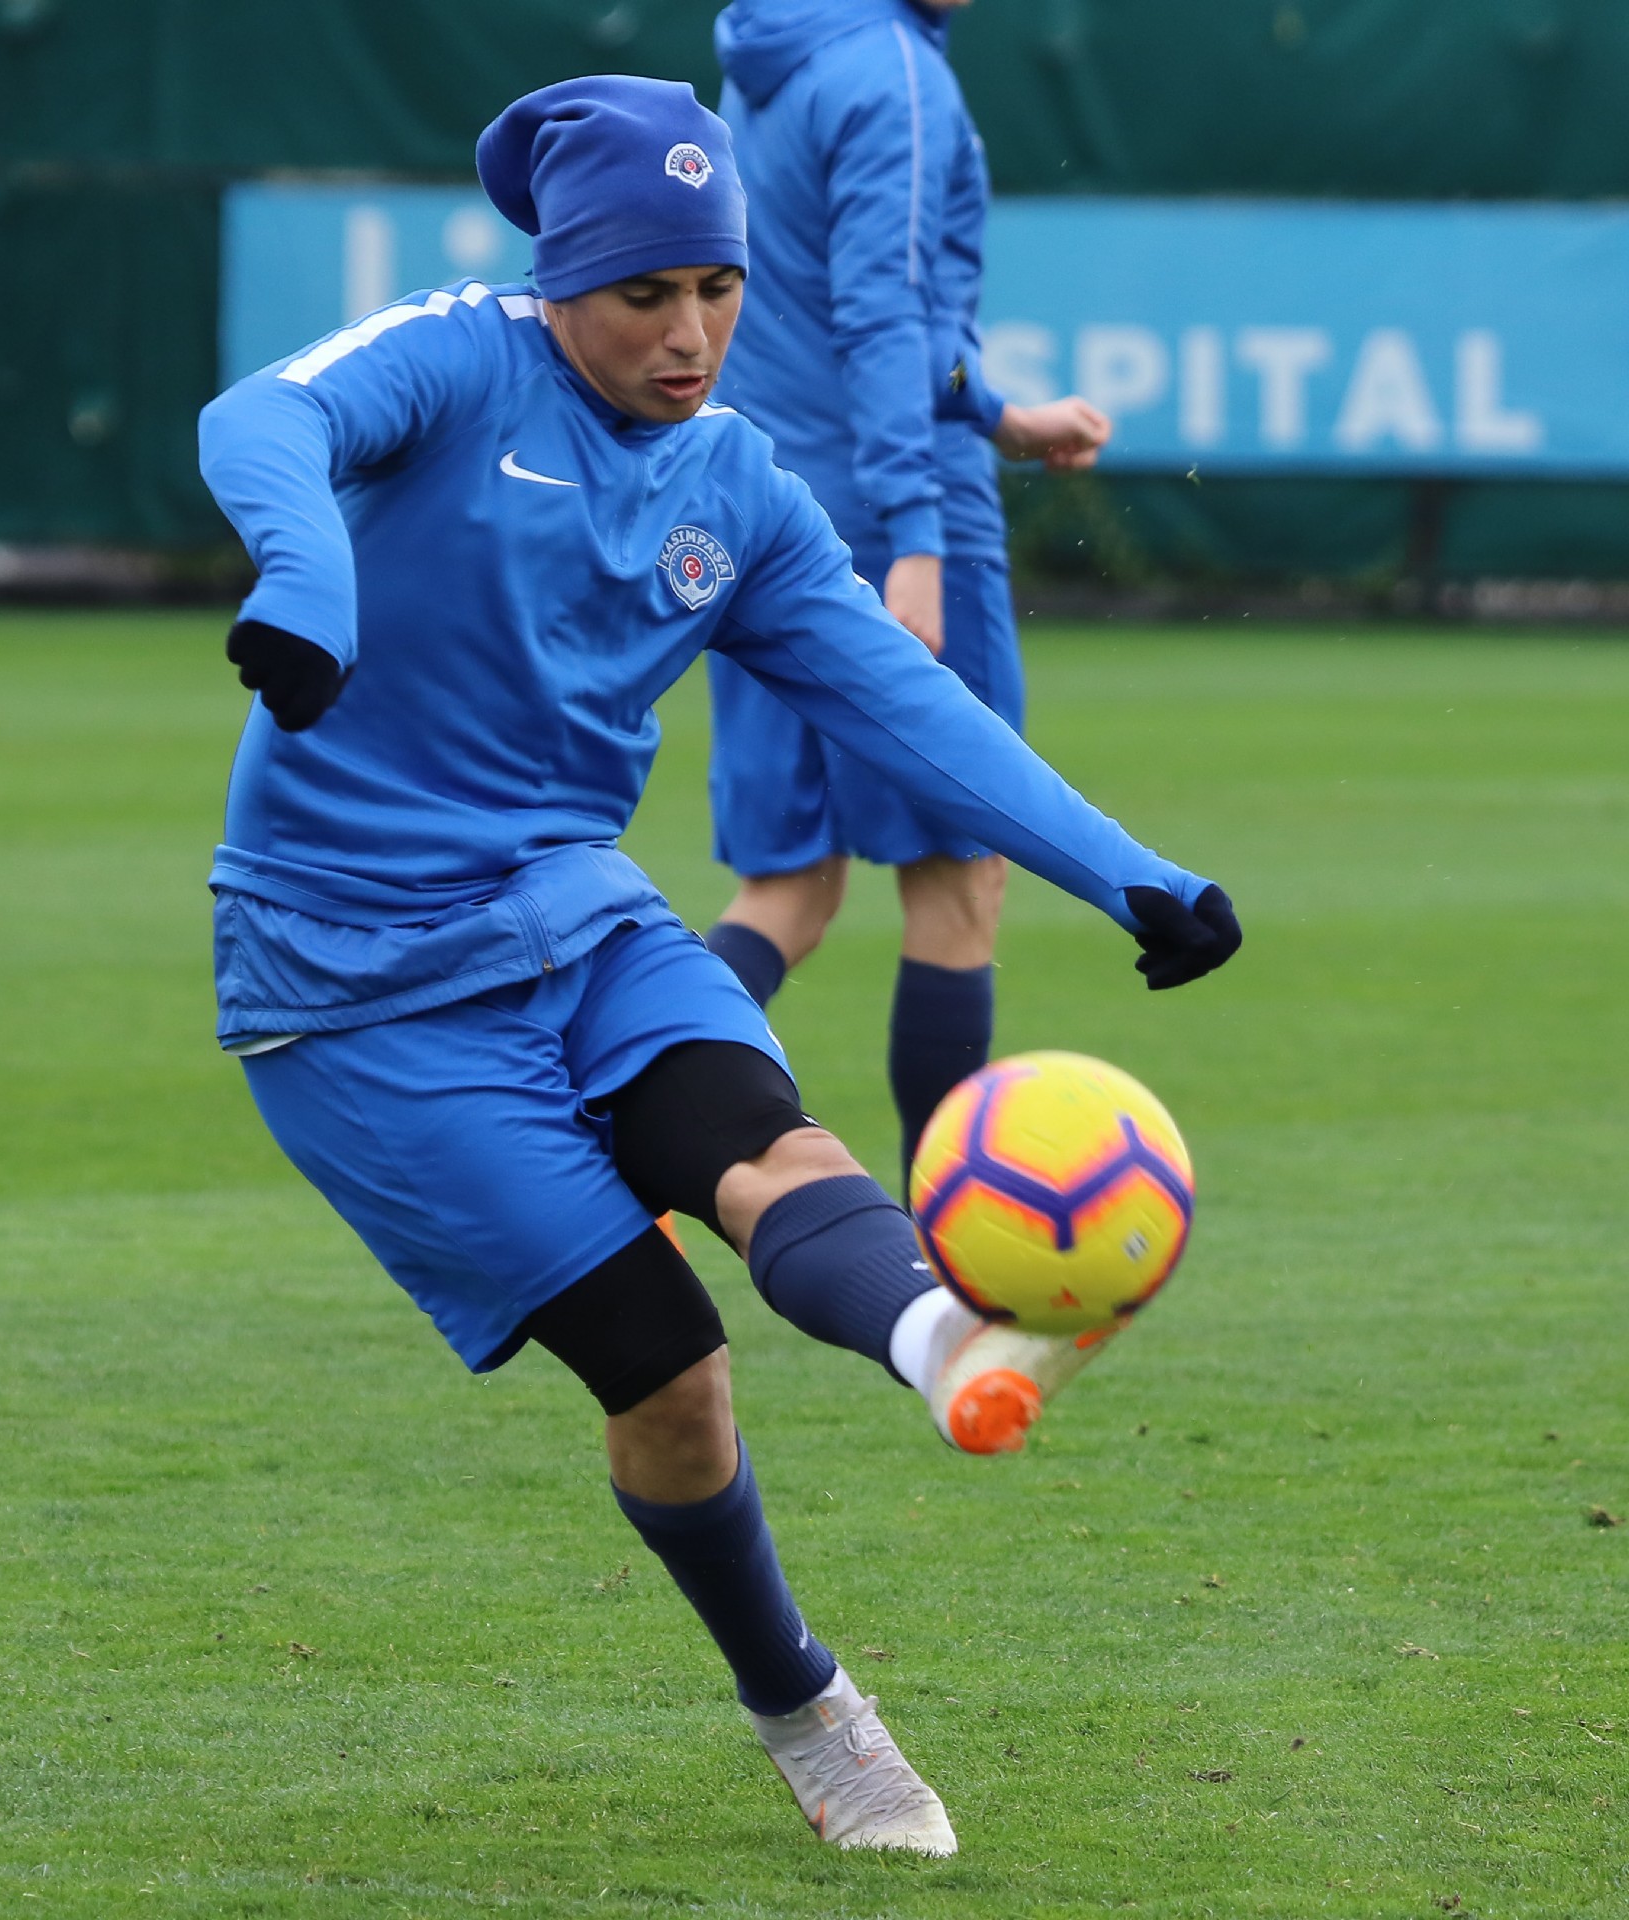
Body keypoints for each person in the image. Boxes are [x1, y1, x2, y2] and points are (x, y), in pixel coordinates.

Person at [198, 75, 1239, 1855]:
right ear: (562, 283)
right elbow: (260, 416)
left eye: (719, 289)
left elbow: (910, 706)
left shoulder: (737, 486)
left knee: (769, 1153)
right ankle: (806, 1705)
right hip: (352, 981)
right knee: (671, 1374)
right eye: (644, 295)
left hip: (574, 910)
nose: (689, 335)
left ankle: (950, 1344)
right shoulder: (457, 359)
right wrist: (304, 582)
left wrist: (1132, 876)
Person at [702, 0, 1114, 1194]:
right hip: (892, 519)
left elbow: (816, 298)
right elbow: (883, 310)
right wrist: (918, 539)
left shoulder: (770, 45)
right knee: (958, 880)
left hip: (755, 505)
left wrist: (999, 413)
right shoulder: (896, 73)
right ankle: (950, 1244)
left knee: (787, 889)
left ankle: (623, 1141)